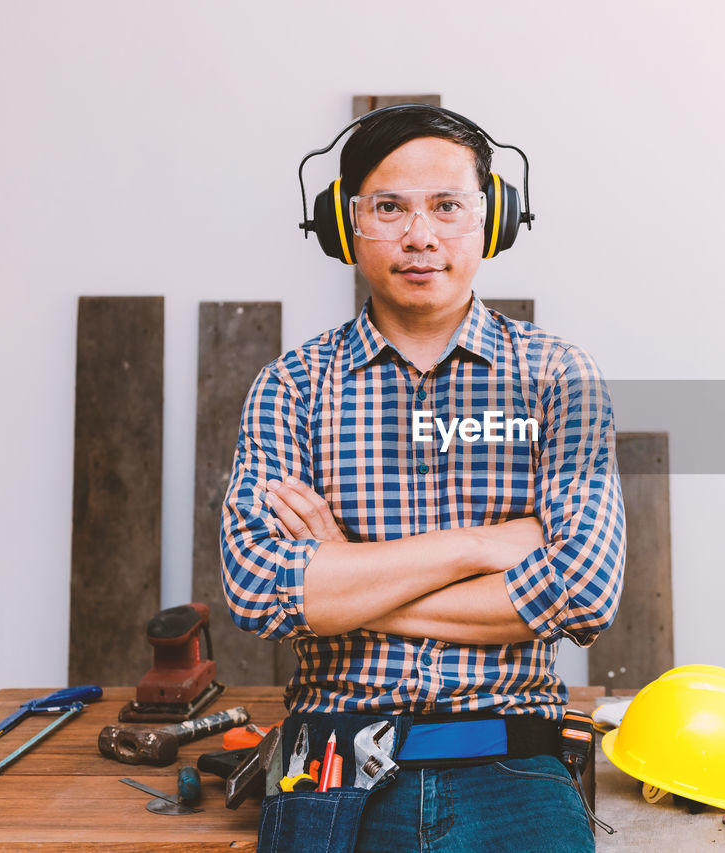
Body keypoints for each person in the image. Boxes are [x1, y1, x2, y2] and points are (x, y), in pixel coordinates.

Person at [220, 104, 624, 852]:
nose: (420, 235)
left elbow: (583, 592)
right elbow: (258, 587)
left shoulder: (558, 377)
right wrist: (482, 544)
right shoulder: (292, 387)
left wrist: (342, 578)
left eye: (447, 206)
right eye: (389, 208)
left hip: (513, 761)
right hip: (330, 763)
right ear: (345, 225)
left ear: (491, 218)